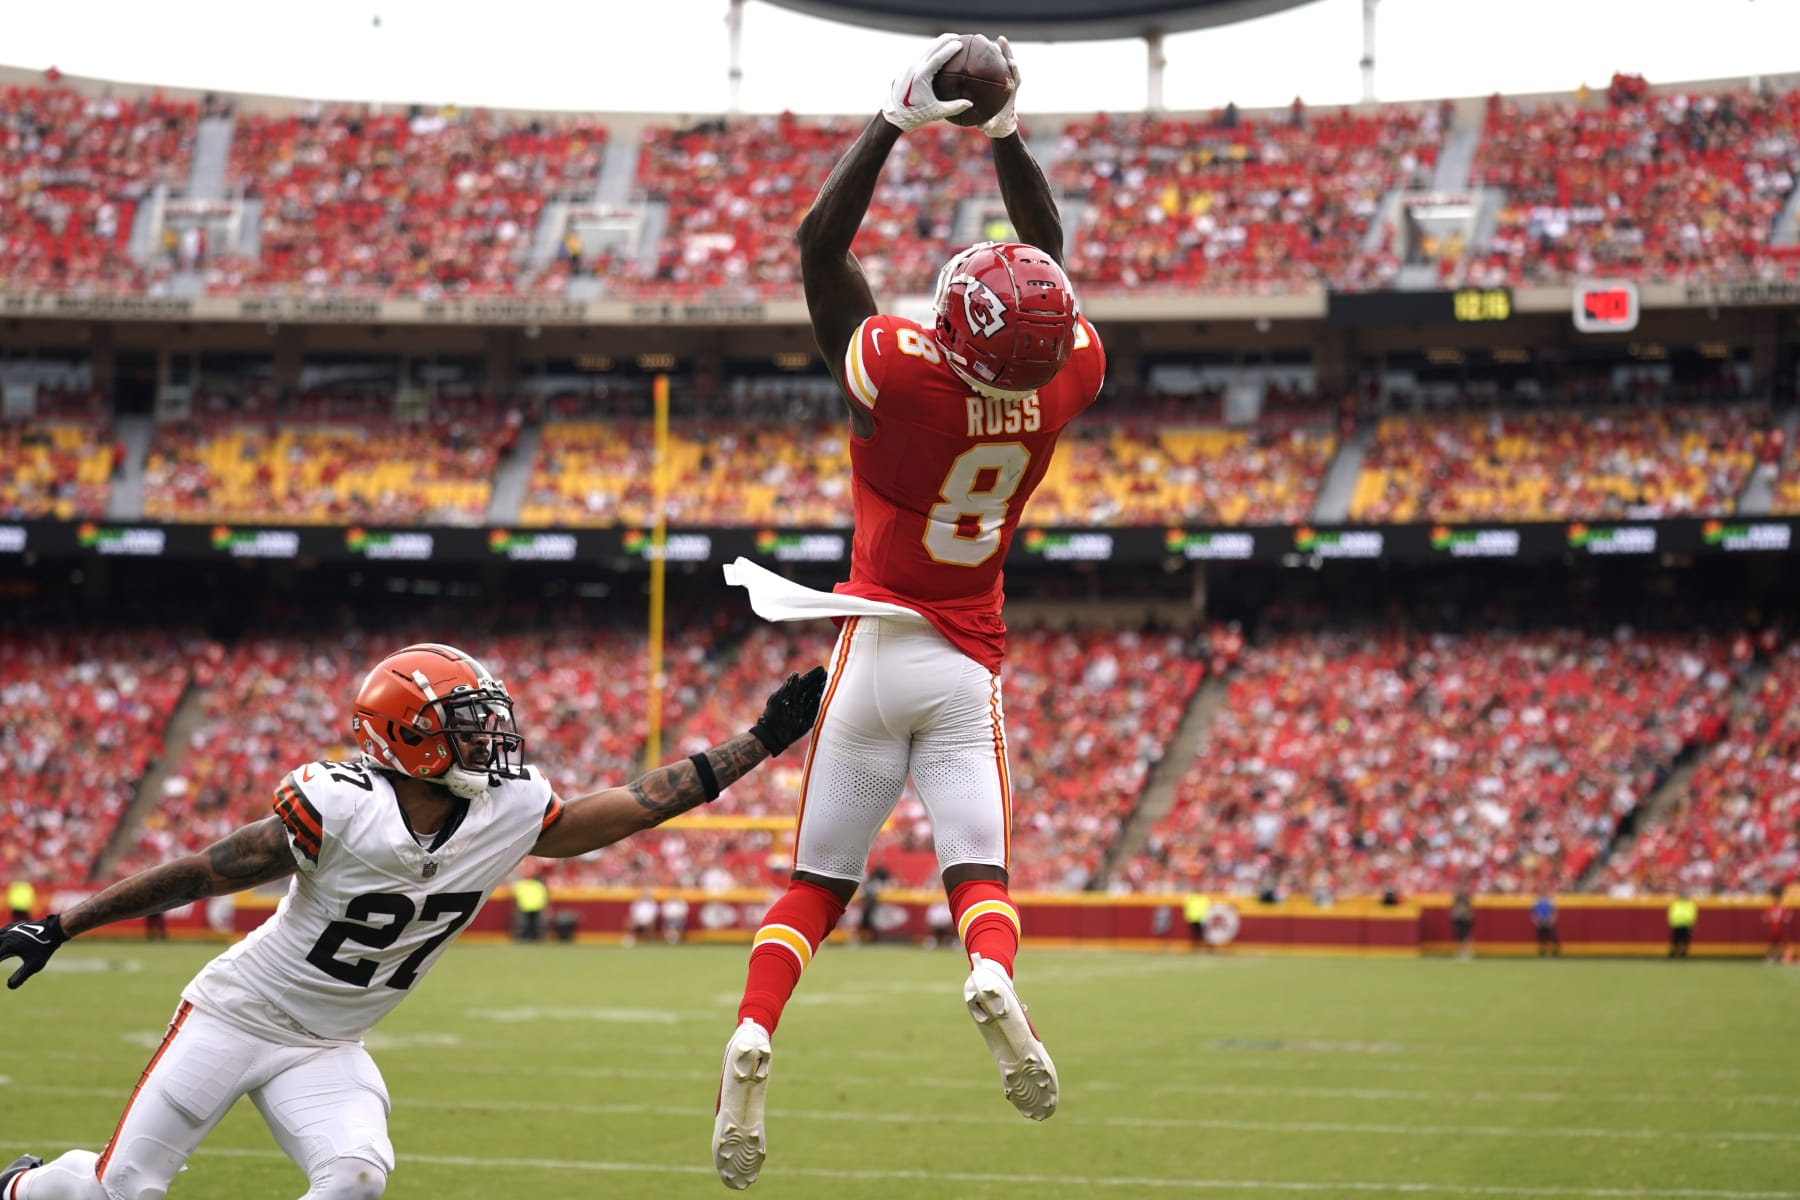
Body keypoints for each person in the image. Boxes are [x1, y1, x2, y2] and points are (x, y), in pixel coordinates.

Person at [0, 642, 825, 1200]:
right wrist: (64, 924)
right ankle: (29, 1187)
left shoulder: (508, 808)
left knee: (356, 1175)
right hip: (235, 1016)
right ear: (409, 740)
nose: (490, 738)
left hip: (328, 1044)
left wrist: (756, 743)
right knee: (122, 1190)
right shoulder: (337, 807)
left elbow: (626, 811)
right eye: (466, 724)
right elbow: (200, 871)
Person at [712, 33, 1105, 1190]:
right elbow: (1053, 261)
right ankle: (991, 977)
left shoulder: (902, 367)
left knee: (815, 884)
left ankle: (754, 1031)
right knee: (977, 872)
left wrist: (896, 119)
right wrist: (1004, 130)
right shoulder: (1066, 383)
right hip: (963, 657)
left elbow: (818, 249)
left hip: (869, 641)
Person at [512, 870, 549, 942]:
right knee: (534, 924)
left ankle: (526, 937)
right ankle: (534, 937)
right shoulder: (538, 885)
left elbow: (517, 895)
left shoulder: (522, 884)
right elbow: (543, 895)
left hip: (525, 906)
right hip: (535, 906)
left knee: (526, 924)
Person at [1668, 893, 1698, 958]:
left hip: (1685, 924)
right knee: (1675, 940)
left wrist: (1692, 923)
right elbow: (1671, 913)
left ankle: (1683, 953)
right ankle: (1673, 953)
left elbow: (1693, 914)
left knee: (1684, 940)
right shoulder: (1676, 904)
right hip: (1677, 924)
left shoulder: (1690, 904)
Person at [1450, 889, 1476, 959]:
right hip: (1459, 919)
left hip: (1465, 920)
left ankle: (1467, 952)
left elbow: (1469, 911)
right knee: (1460, 936)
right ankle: (1462, 952)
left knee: (1466, 936)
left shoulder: (1466, 900)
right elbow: (1454, 910)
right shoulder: (1457, 899)